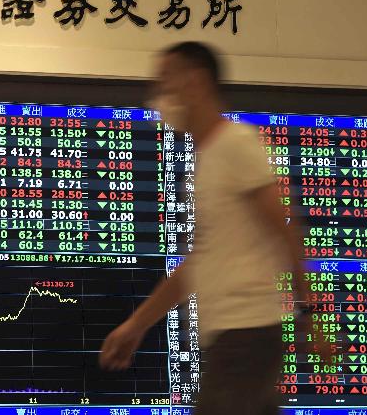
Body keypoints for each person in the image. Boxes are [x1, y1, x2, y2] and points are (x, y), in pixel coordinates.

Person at [98, 42, 334, 414]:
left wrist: (312, 316)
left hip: (247, 334)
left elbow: (284, 230)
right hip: (237, 338)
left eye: (166, 79)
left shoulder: (236, 143)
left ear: (195, 82)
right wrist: (136, 325)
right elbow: (199, 264)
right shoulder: (206, 161)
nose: (159, 94)